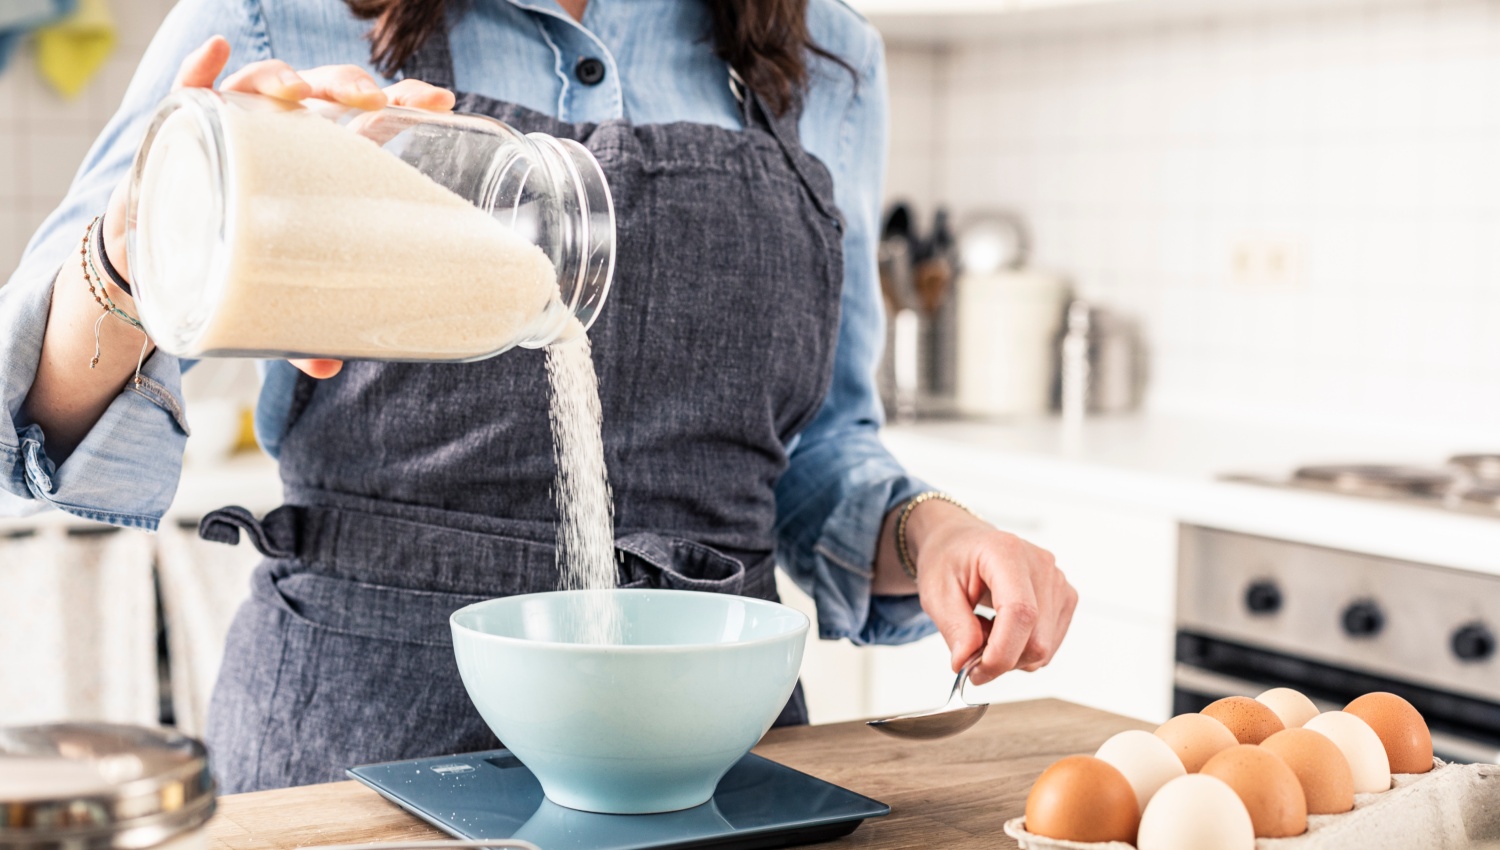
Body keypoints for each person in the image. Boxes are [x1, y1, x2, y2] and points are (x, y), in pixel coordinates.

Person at [0, 0, 1076, 792]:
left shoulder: (827, 59)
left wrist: (930, 531)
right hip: (355, 757)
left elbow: (820, 450)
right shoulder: (280, 19)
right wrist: (136, 260)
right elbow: (36, 419)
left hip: (711, 768)